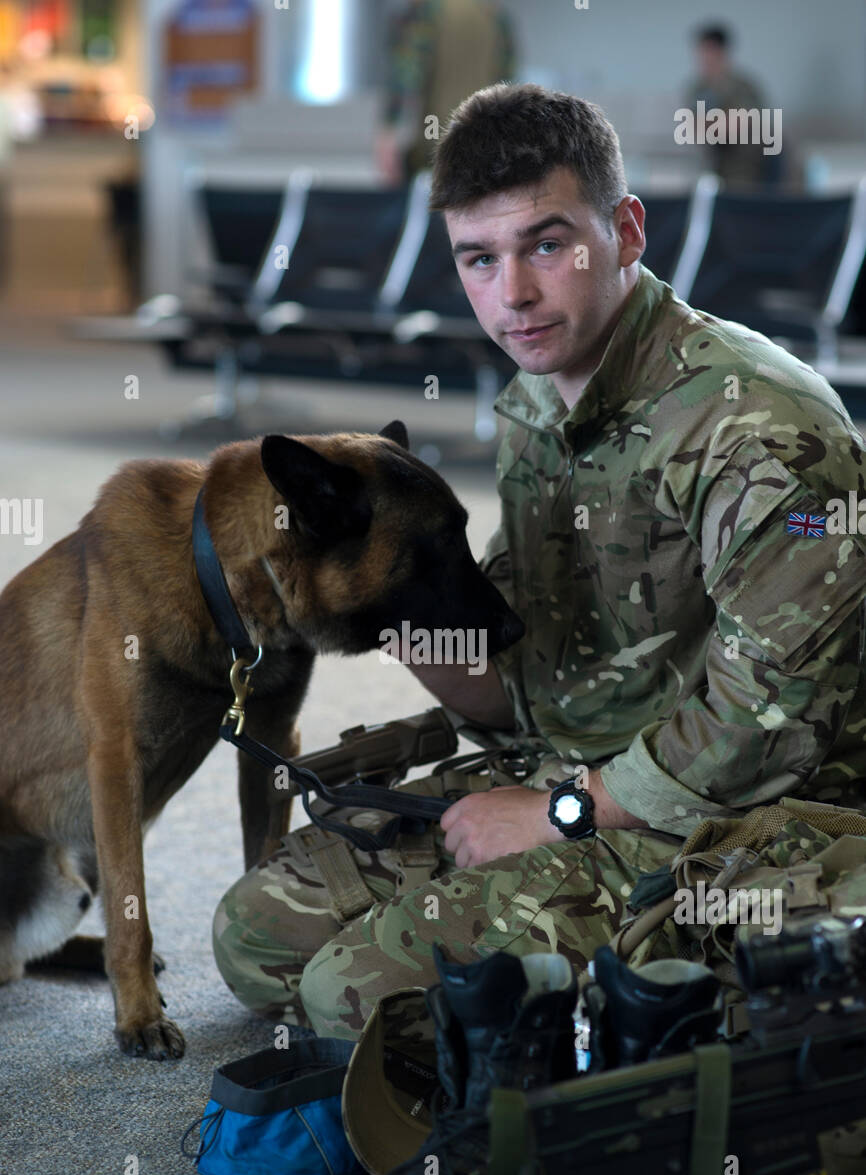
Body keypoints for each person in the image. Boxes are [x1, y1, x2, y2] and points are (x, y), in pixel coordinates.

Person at [213, 82, 866, 1046]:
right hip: (574, 761)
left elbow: (778, 720)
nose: (512, 294)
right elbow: (524, 659)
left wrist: (563, 812)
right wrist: (381, 599)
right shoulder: (534, 400)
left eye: (548, 245)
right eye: (480, 258)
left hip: (737, 815)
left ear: (627, 233)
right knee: (251, 940)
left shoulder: (758, 430)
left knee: (348, 996)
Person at [376, 0, 515, 184]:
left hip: (435, 130)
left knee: (430, 195)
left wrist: (389, 130)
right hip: (482, 136)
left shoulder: (427, 13)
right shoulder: (493, 14)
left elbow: (407, 74)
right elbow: (506, 79)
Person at [684, 23, 773, 187]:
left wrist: (711, 125)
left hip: (746, 172)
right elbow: (691, 129)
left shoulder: (742, 87)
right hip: (713, 171)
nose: (704, 58)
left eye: (710, 52)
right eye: (702, 52)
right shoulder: (698, 88)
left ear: (721, 52)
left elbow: (743, 124)